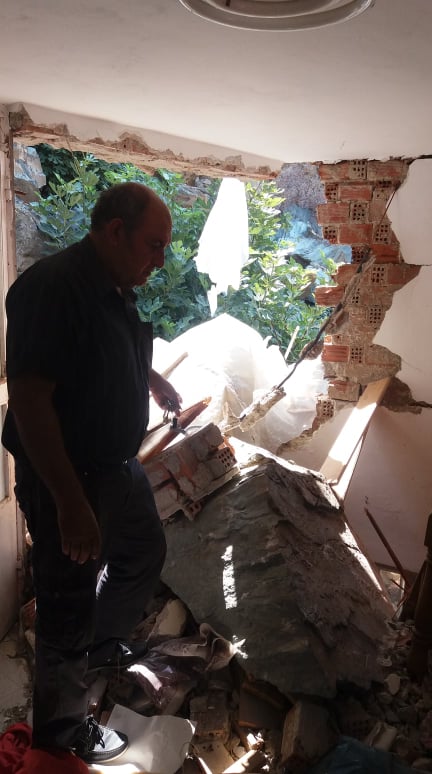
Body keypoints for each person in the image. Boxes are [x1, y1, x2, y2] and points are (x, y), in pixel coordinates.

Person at [1, 182, 182, 764]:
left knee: (143, 552)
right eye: (154, 245)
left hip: (116, 467)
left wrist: (150, 378)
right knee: (66, 604)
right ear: (115, 231)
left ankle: (98, 649)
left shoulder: (115, 285)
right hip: (69, 477)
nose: (160, 260)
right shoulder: (53, 288)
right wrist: (69, 502)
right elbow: (30, 401)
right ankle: (60, 731)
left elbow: (104, 349)